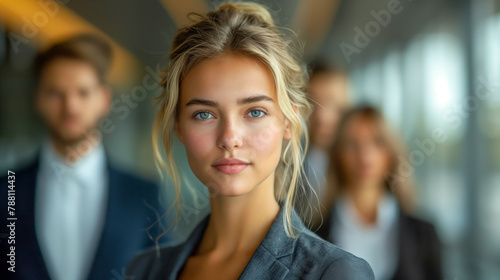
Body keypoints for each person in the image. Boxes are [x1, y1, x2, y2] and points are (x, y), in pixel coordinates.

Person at [126, 2, 374, 280]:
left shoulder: (334, 273)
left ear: (289, 122)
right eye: (204, 114)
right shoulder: (144, 271)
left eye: (255, 112)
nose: (230, 138)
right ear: (179, 127)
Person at [0, 34, 165, 280]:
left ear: (105, 99)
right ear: (38, 99)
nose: (71, 107)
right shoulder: (6, 191)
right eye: (56, 93)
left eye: (83, 92)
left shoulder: (144, 196)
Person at [315, 105, 442, 280]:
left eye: (377, 142)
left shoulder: (423, 233)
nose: (364, 155)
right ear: (337, 155)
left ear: (391, 152)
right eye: (352, 144)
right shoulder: (314, 236)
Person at [300, 60, 350, 225]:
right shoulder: (285, 166)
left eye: (332, 103)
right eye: (312, 104)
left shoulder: (364, 164)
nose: (322, 117)